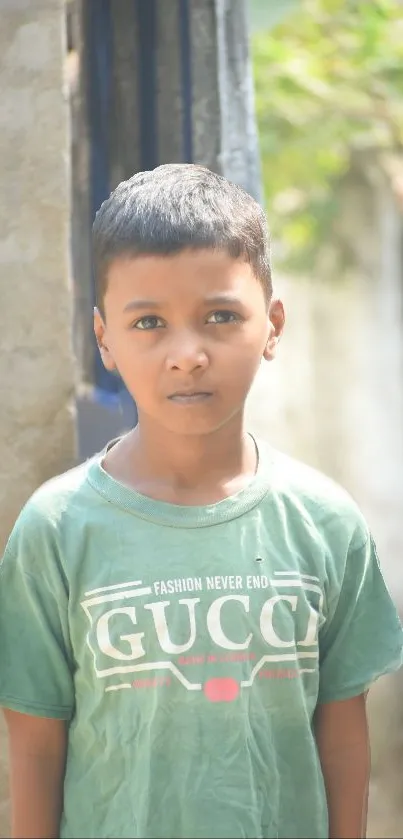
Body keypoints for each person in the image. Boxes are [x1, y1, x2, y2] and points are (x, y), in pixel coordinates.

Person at [0, 164, 402, 839]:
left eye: (219, 316)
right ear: (104, 338)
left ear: (271, 324)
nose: (186, 354)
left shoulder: (322, 521)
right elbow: (36, 750)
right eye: (149, 321)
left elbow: (340, 735)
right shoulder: (56, 529)